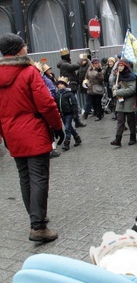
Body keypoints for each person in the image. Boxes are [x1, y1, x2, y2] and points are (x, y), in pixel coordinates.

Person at [0, 33, 64, 243]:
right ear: (18, 50)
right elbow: (46, 104)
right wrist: (57, 126)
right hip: (34, 132)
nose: (26, 47)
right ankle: (38, 227)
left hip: (12, 134)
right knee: (38, 178)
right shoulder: (28, 71)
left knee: (25, 177)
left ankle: (35, 218)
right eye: (24, 45)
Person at [110, 59, 137, 147]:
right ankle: (118, 139)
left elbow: (132, 89)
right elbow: (118, 86)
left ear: (125, 66)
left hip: (129, 101)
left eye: (122, 66)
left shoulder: (131, 76)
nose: (120, 68)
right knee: (120, 121)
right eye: (119, 66)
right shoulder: (118, 76)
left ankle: (133, 138)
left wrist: (118, 92)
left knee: (130, 121)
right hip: (120, 102)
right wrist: (115, 87)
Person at [57, 48, 86, 128]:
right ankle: (75, 121)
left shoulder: (63, 63)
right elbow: (75, 66)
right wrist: (80, 60)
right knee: (74, 104)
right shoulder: (65, 64)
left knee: (74, 105)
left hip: (70, 87)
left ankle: (77, 121)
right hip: (70, 88)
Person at [55, 76, 82, 151]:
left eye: (62, 84)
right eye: (59, 84)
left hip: (69, 114)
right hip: (62, 114)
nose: (60, 85)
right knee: (69, 127)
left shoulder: (69, 94)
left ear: (65, 85)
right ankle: (77, 138)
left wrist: (75, 114)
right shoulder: (57, 94)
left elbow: (74, 104)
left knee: (67, 128)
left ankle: (66, 143)